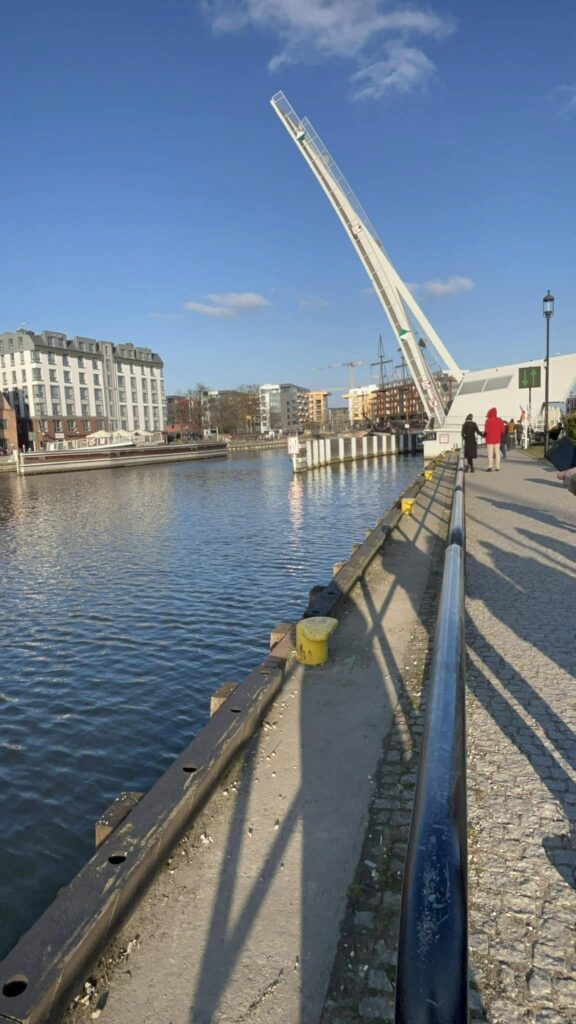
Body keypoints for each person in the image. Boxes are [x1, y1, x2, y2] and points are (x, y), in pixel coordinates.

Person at [484, 407, 506, 471]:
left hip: (490, 439)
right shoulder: (500, 420)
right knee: (497, 453)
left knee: (490, 454)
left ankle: (490, 466)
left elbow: (486, 431)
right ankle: (497, 467)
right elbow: (502, 430)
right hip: (497, 439)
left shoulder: (488, 421)